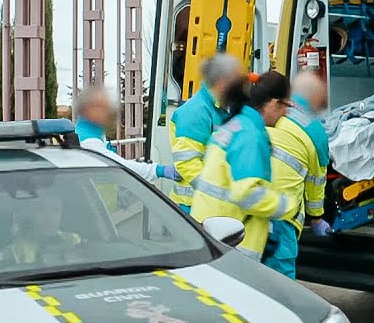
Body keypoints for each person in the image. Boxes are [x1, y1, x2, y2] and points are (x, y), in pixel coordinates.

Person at [190, 71, 293, 260]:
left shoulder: (237, 125)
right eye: (287, 105)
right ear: (274, 103)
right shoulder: (250, 135)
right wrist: (285, 205)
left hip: (212, 237)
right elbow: (247, 194)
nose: (286, 113)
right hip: (231, 246)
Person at [262, 70, 332, 279]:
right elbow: (316, 183)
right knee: (281, 279)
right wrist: (317, 218)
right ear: (317, 99)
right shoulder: (316, 131)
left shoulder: (269, 111)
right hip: (283, 212)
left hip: (253, 202)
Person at [166, 53, 249, 211]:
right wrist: (221, 196)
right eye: (237, 81)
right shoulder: (196, 112)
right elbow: (187, 164)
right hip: (193, 207)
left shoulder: (219, 108)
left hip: (205, 205)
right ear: (223, 81)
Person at [73, 83, 182, 184]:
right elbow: (122, 167)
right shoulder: (88, 142)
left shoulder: (93, 133)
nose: (109, 112)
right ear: (88, 110)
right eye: (102, 107)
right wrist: (159, 170)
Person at [0, 190, 83, 266]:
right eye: (41, 209)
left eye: (55, 210)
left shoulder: (74, 241)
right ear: (30, 213)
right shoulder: (14, 251)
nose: (49, 217)